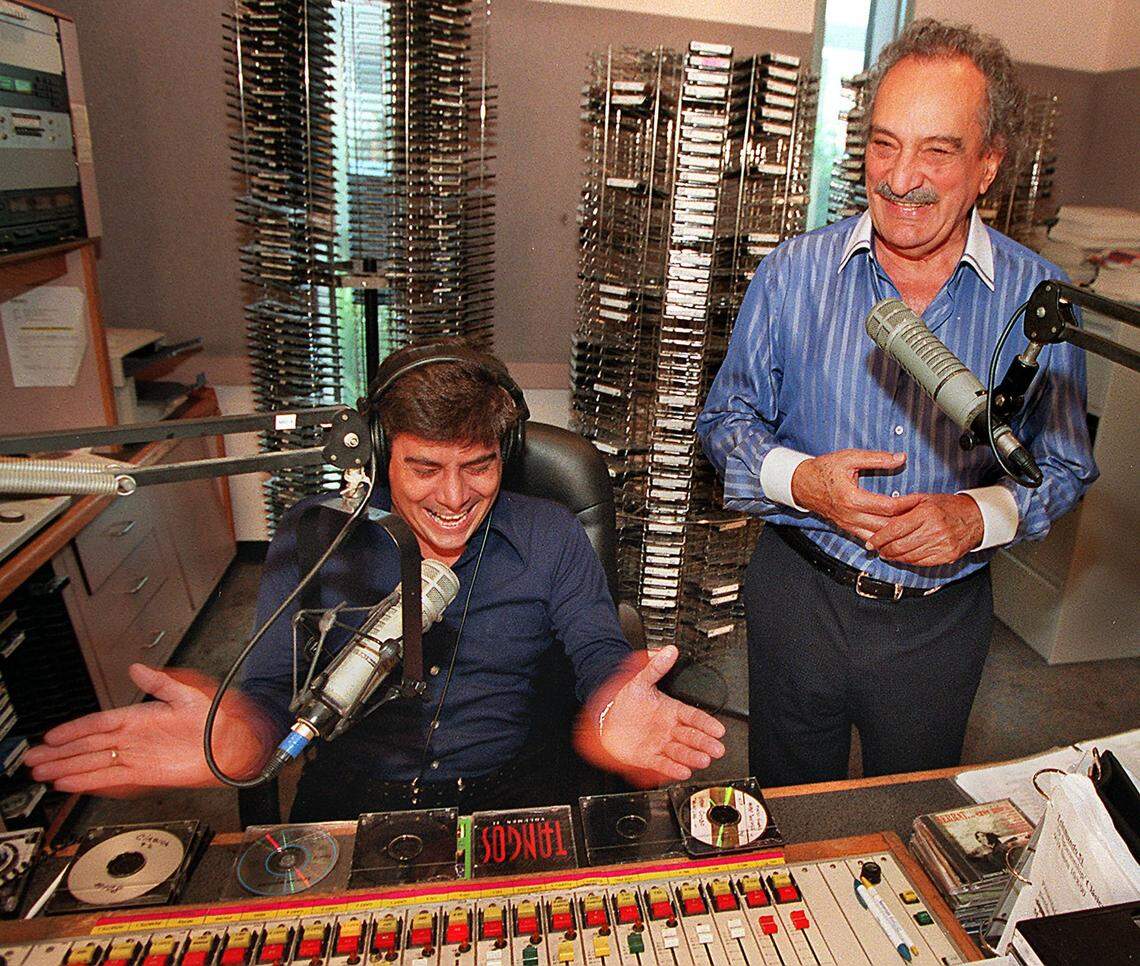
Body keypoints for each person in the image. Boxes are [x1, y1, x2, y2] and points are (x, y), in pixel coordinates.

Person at [27, 341, 726, 818]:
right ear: (380, 456)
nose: (454, 497)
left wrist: (612, 711)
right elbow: (272, 690)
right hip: (349, 791)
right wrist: (236, 733)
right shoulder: (314, 534)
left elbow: (600, 657)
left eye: (477, 465)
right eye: (425, 467)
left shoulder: (549, 532)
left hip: (509, 787)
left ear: (505, 456)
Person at [696, 19, 1097, 787]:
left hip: (938, 625)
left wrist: (977, 516)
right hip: (798, 596)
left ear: (987, 165)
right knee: (789, 810)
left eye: (936, 150)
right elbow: (726, 420)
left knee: (911, 820)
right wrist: (799, 479)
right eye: (884, 144)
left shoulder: (1038, 302)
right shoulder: (792, 273)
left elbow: (1065, 463)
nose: (899, 176)